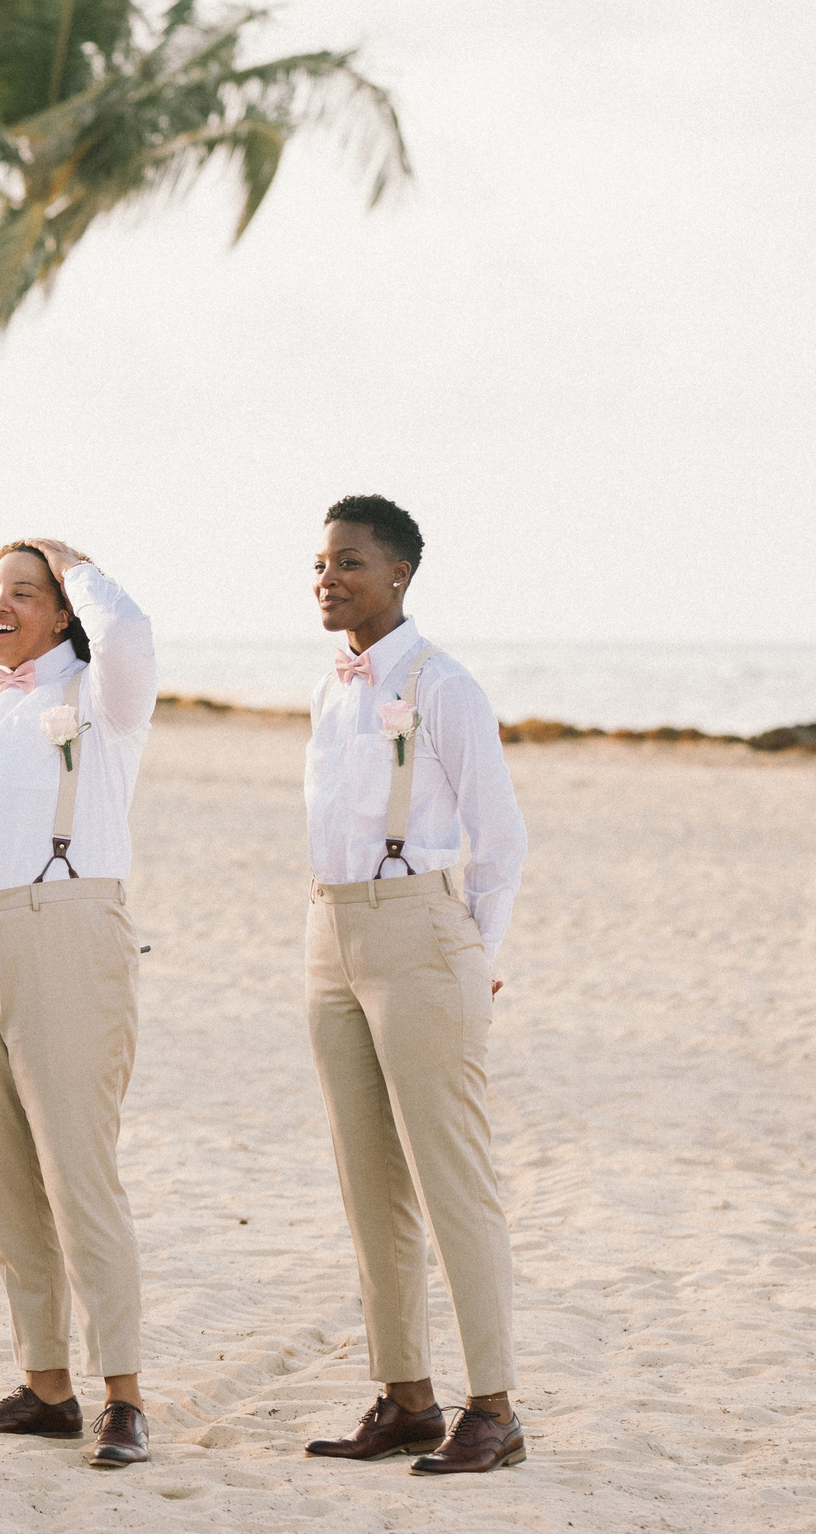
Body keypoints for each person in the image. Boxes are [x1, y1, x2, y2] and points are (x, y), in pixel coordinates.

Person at [300, 495, 529, 1475]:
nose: (325, 577)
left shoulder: (444, 684)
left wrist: (473, 953)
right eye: (319, 563)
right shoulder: (332, 687)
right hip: (330, 932)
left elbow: (500, 834)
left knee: (450, 1175)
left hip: (422, 932)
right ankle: (404, 1396)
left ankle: (494, 1405)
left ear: (397, 573)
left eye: (346, 561)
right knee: (367, 1177)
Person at [0, 540, 158, 1467]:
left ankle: (125, 1394)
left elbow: (131, 637)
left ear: (64, 615)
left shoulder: (102, 702)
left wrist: (81, 563)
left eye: (24, 591)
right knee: (0, 1168)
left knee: (76, 1167)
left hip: (62, 923)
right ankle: (46, 1384)